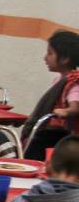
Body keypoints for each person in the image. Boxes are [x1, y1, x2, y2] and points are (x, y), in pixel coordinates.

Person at [23, 30, 79, 160]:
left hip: (64, 136)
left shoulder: (73, 83)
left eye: (50, 53)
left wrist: (66, 111)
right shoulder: (59, 81)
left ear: (65, 59)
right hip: (56, 134)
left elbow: (76, 107)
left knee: (37, 145)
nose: (45, 58)